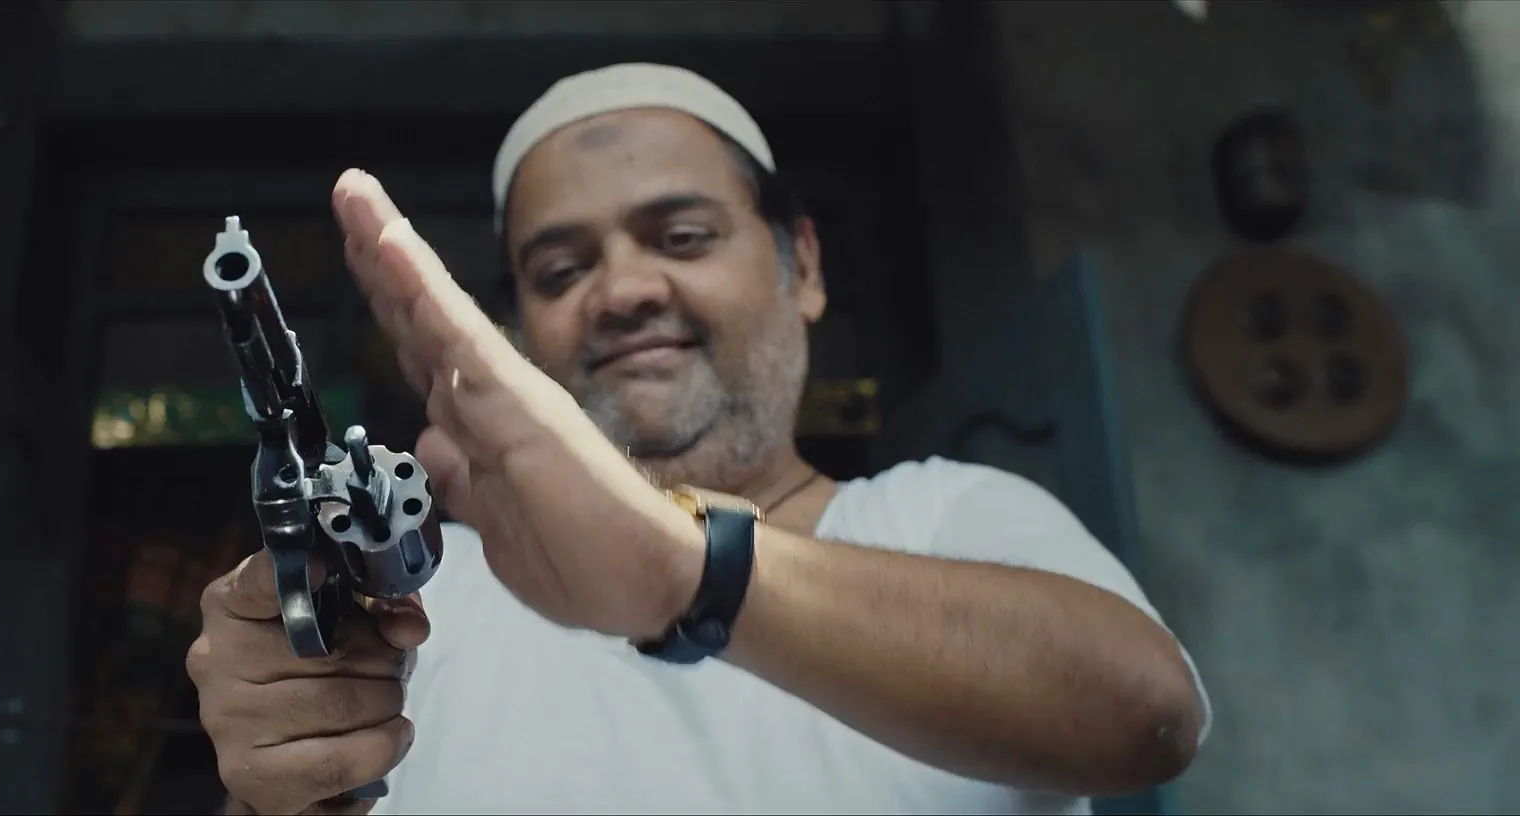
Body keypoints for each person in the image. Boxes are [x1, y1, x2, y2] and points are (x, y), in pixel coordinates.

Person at [187, 63, 1212, 816]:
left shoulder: (949, 517)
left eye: (682, 237)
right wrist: (285, 771)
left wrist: (688, 569)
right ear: (519, 330)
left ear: (804, 266)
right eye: (560, 271)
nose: (625, 291)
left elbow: (1149, 715)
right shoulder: (429, 605)